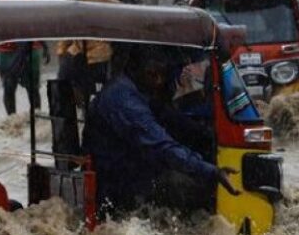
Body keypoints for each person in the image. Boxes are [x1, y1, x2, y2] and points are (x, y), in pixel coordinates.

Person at [82, 46, 239, 216]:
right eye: (152, 74)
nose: (158, 81)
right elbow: (160, 145)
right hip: (119, 181)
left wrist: (206, 134)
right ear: (134, 69)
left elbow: (168, 116)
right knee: (190, 187)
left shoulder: (137, 89)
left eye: (162, 75)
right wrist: (210, 171)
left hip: (133, 170)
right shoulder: (123, 100)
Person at [56, 0, 121, 106]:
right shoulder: (67, 2)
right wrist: (61, 51)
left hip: (98, 52)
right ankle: (67, 110)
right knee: (62, 79)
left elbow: (122, 11)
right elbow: (65, 29)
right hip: (77, 50)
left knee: (95, 91)